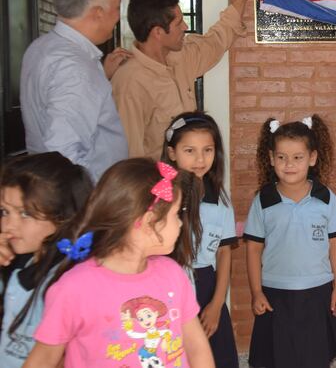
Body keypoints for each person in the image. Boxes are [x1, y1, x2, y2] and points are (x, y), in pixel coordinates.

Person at [23, 158, 214, 368]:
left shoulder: (173, 275)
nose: (180, 223)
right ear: (150, 223)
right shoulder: (74, 289)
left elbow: (197, 347)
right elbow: (42, 360)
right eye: (176, 215)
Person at [111, 0, 265, 159]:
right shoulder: (130, 81)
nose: (185, 27)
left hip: (189, 180)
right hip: (157, 185)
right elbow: (128, 155)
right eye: (178, 23)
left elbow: (217, 40)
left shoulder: (182, 57)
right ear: (158, 32)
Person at [245, 115, 336, 368]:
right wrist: (257, 291)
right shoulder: (263, 200)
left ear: (312, 158)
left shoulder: (326, 198)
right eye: (281, 157)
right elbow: (253, 249)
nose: (289, 164)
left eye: (297, 157)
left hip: (318, 292)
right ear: (271, 158)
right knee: (277, 357)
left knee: (314, 357)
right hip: (274, 295)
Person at [20, 0, 129, 181]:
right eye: (117, 7)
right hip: (83, 201)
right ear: (98, 13)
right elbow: (64, 151)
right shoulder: (75, 67)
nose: (118, 16)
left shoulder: (41, 47)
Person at [0, 153, 92, 368]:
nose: (8, 225)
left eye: (24, 214)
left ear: (62, 217)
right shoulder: (20, 260)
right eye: (4, 211)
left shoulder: (67, 282)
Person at [161, 112, 238, 368]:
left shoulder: (220, 199)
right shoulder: (161, 196)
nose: (200, 159)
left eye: (207, 150)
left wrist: (217, 304)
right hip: (168, 285)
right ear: (172, 153)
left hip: (206, 285)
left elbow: (225, 252)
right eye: (189, 150)